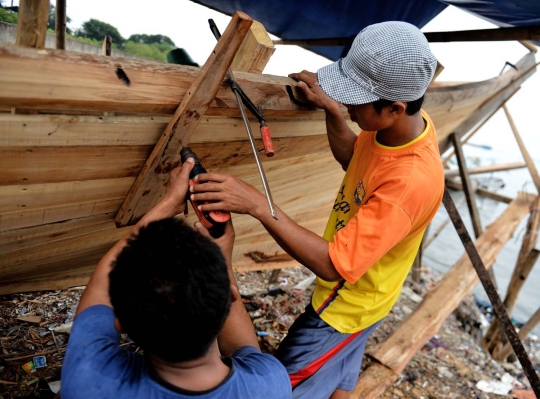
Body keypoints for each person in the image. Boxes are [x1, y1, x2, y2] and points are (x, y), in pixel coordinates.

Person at [189, 21, 445, 399]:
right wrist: (332, 111)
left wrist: (259, 205)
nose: (348, 104)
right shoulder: (403, 130)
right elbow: (355, 161)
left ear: (394, 108)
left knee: (276, 388)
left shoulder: (410, 181)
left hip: (344, 307)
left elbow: (332, 264)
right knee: (341, 375)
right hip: (375, 294)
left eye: (356, 99)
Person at [61, 159, 291, 399]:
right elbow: (242, 348)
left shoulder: (89, 381)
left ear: (120, 324)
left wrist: (169, 204)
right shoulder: (270, 384)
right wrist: (222, 259)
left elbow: (99, 288)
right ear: (232, 296)